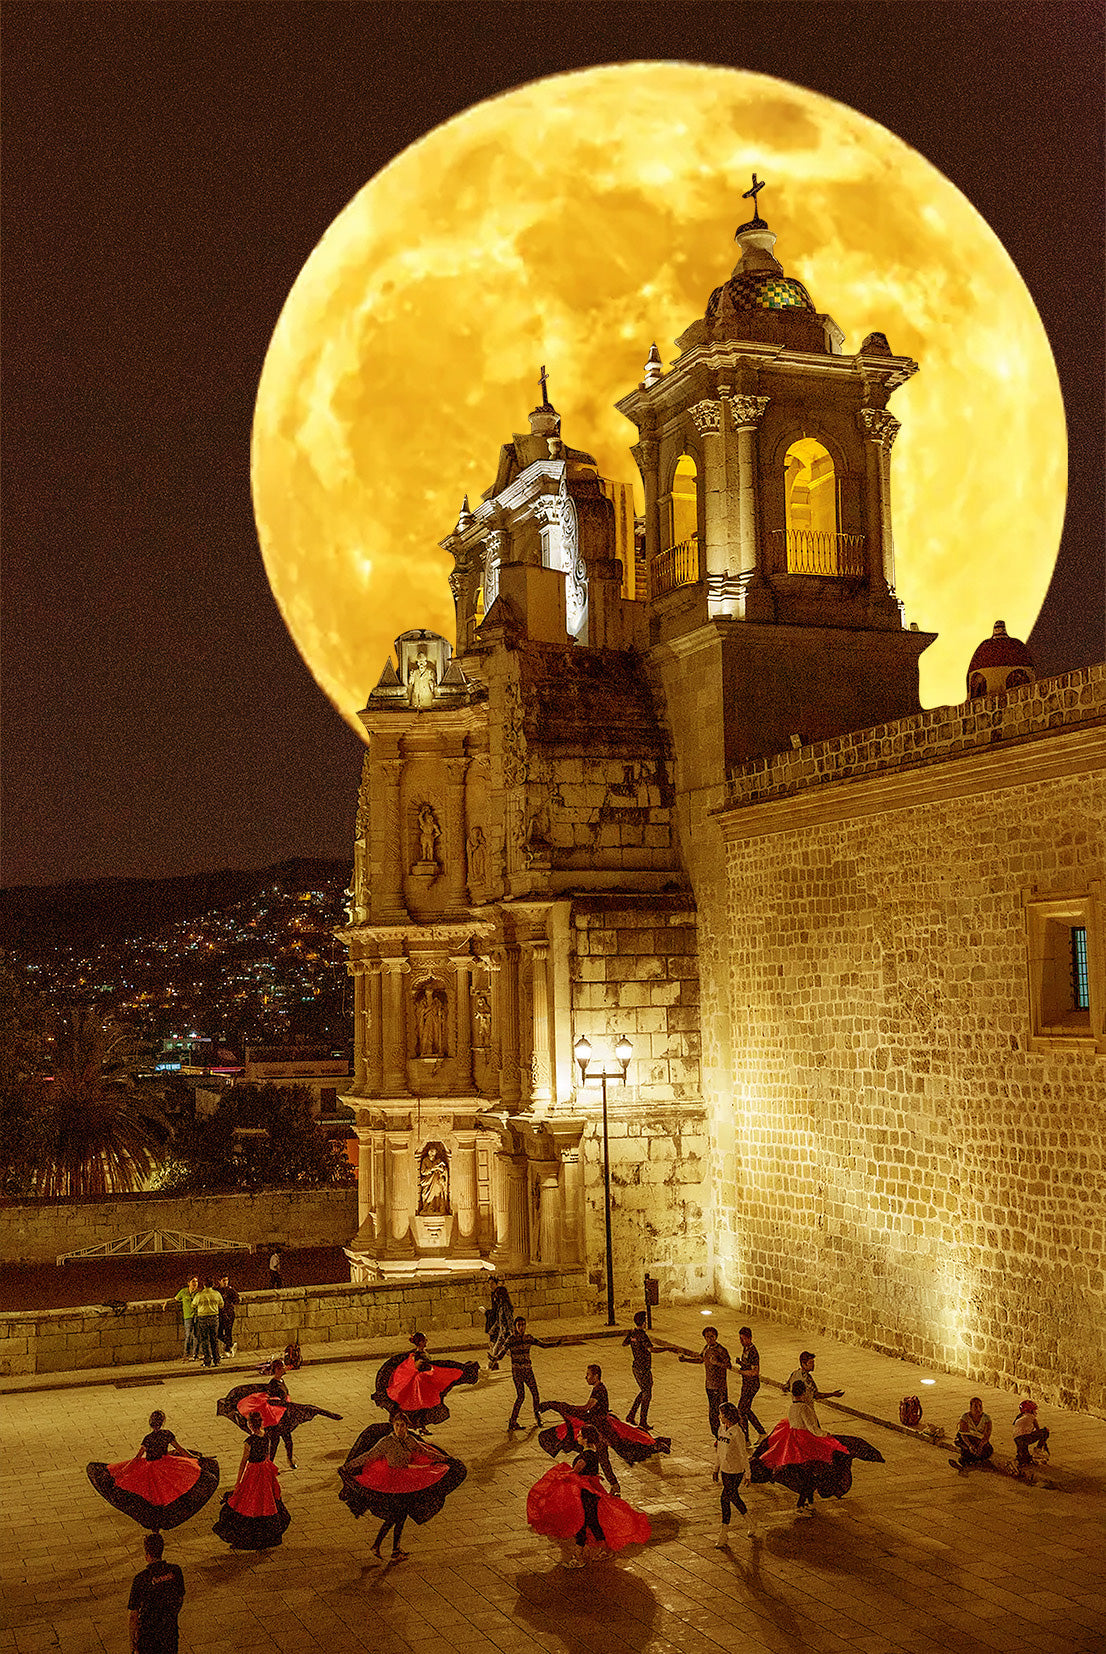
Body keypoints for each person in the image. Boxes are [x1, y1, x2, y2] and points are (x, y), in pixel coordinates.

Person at [338, 1411, 466, 1562]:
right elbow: (368, 1456)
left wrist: (446, 1459)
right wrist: (348, 1466)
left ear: (406, 1426)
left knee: (398, 1516)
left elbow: (426, 1452)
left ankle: (386, 1548)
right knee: (398, 1516)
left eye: (402, 1426)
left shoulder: (410, 1440)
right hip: (391, 1482)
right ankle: (389, 1548)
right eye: (397, 1425)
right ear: (393, 1426)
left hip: (405, 1481)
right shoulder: (386, 1442)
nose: (399, 1428)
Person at [749, 1381, 884, 1513]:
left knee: (809, 1475)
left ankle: (809, 1502)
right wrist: (825, 1434)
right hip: (806, 1442)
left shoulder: (792, 1407)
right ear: (803, 1393)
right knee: (816, 1472)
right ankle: (802, 1504)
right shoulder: (804, 1408)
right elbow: (812, 1428)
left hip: (793, 1442)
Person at [527, 1425, 650, 1568]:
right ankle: (603, 1550)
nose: (577, 1437)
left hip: (586, 1496)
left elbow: (575, 1472)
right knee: (592, 1523)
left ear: (585, 1439)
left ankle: (579, 1558)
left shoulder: (585, 1456)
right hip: (591, 1494)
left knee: (581, 1524)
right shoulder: (592, 1452)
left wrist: (558, 1475)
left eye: (579, 1435)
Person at [538, 1362, 671, 1491]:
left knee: (614, 1451)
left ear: (596, 1376)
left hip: (602, 1430)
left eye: (588, 1375)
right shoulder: (598, 1389)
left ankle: (603, 1482)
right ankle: (612, 1484)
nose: (586, 1377)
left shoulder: (599, 1390)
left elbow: (586, 1409)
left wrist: (558, 1406)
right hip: (600, 1427)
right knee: (605, 1456)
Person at [88, 1409, 219, 1531]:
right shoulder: (167, 1434)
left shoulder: (148, 1439)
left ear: (150, 1424)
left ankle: (154, 1517)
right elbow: (181, 1450)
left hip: (151, 1466)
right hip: (167, 1463)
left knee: (151, 1491)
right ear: (162, 1422)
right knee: (168, 1487)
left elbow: (137, 1458)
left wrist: (123, 1471)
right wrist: (194, 1458)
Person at [216, 1365, 342, 1468]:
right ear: (276, 1370)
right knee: (274, 1443)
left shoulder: (280, 1381)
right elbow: (272, 1401)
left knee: (288, 1441)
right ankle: (271, 1465)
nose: (284, 1368)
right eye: (281, 1367)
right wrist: (288, 1404)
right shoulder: (273, 1384)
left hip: (283, 1416)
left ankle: (289, 1461)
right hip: (275, 1419)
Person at [212, 1411, 291, 1550]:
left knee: (247, 1501)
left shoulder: (249, 1442)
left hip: (253, 1471)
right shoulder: (267, 1437)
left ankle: (246, 1537)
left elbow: (243, 1462)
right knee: (266, 1500)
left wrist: (238, 1482)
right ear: (260, 1423)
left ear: (249, 1425)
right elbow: (267, 1455)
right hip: (265, 1470)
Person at [372, 1332, 480, 1432]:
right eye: (424, 1340)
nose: (426, 1342)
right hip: (419, 1383)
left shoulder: (417, 1354)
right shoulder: (417, 1356)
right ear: (421, 1342)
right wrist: (431, 1370)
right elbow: (417, 1367)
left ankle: (420, 1426)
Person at [126, 1531, 184, 1654]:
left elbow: (133, 1615)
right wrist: (170, 1615)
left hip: (149, 1635)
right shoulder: (175, 1571)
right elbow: (180, 1597)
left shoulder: (141, 1579)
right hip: (169, 1632)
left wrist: (132, 1641)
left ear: (147, 1555)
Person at [504, 1316, 561, 1430]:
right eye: (519, 1325)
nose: (521, 1327)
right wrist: (494, 1358)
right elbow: (502, 1352)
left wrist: (554, 1344)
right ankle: (513, 1421)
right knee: (521, 1396)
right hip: (518, 1372)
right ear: (515, 1327)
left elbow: (542, 1344)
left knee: (535, 1394)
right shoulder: (511, 1340)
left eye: (523, 1325)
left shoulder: (528, 1338)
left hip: (528, 1370)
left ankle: (537, 1416)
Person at [679, 1324, 732, 1438]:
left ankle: (726, 1434)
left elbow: (728, 1365)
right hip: (709, 1386)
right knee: (712, 1413)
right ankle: (717, 1435)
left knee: (724, 1412)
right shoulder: (706, 1348)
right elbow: (700, 1359)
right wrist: (686, 1360)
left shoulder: (721, 1350)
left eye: (711, 1337)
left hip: (720, 1386)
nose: (709, 1339)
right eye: (707, 1337)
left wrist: (717, 1363)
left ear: (716, 1337)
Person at [713, 1401, 752, 1545]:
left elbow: (743, 1454)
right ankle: (750, 1523)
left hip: (735, 1471)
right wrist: (716, 1468)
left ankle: (723, 1533)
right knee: (734, 1497)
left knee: (725, 1499)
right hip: (725, 1470)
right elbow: (720, 1451)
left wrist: (747, 1474)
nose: (719, 1416)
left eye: (721, 1414)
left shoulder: (737, 1433)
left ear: (726, 1416)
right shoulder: (721, 1429)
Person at [786, 1351, 843, 1432]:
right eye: (810, 1363)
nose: (813, 1365)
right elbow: (816, 1395)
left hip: (795, 1409)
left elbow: (785, 1387)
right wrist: (833, 1394)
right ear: (803, 1363)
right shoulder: (807, 1378)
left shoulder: (794, 1374)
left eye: (813, 1362)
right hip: (807, 1409)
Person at [623, 1311, 655, 1430]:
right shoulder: (642, 1335)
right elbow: (651, 1349)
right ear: (643, 1322)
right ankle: (643, 1421)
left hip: (636, 1366)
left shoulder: (633, 1333)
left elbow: (624, 1343)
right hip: (643, 1368)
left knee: (644, 1390)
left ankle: (631, 1414)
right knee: (647, 1393)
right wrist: (668, 1349)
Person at [736, 1326, 766, 1441]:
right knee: (744, 1409)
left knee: (743, 1409)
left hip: (751, 1384)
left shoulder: (753, 1351)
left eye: (743, 1339)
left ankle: (756, 1433)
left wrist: (741, 1371)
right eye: (740, 1339)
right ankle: (749, 1435)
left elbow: (755, 1372)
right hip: (746, 1383)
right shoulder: (746, 1349)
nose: (741, 1341)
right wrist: (741, 1363)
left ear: (749, 1338)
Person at [949, 1396, 994, 1471]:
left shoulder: (986, 1418)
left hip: (979, 1439)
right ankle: (965, 1461)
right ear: (971, 1407)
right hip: (967, 1439)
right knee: (966, 1449)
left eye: (980, 1406)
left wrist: (980, 1446)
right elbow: (964, 1434)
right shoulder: (965, 1418)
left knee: (988, 1450)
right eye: (976, 1406)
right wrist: (970, 1446)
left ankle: (974, 1462)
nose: (978, 1409)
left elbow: (987, 1435)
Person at [190, 1278, 223, 1368]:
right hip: (214, 1317)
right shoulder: (217, 1294)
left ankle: (207, 1360)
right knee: (214, 1340)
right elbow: (221, 1304)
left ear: (204, 1285)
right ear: (212, 1285)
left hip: (203, 1318)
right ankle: (217, 1360)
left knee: (204, 1340)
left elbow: (193, 1304)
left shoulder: (199, 1295)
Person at [165, 1277, 199, 1362]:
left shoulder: (199, 1292)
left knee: (196, 1336)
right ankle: (186, 1354)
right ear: (188, 1283)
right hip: (187, 1316)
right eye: (193, 1281)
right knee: (188, 1335)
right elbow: (176, 1299)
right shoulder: (183, 1292)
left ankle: (195, 1354)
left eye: (196, 1281)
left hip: (197, 1316)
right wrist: (167, 1303)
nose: (195, 1283)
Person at [485, 1275, 515, 1369]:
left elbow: (509, 1320)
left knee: (503, 1349)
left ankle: (491, 1365)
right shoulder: (501, 1306)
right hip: (502, 1332)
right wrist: (492, 1329)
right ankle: (491, 1365)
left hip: (505, 1332)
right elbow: (499, 1320)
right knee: (498, 1349)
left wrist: (513, 1333)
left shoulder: (505, 1307)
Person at [1012, 1399, 1050, 1470]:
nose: (1035, 1412)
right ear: (1029, 1410)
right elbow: (1038, 1430)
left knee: (1024, 1458)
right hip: (1025, 1437)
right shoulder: (1031, 1417)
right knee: (1045, 1431)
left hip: (1017, 1439)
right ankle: (1037, 1451)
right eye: (1033, 1410)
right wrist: (1043, 1444)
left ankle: (1020, 1462)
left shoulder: (1019, 1417)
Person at [216, 1275, 239, 1358]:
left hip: (229, 1313)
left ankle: (228, 1350)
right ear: (219, 1281)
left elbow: (237, 1300)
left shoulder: (230, 1290)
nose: (225, 1282)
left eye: (226, 1280)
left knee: (228, 1332)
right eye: (223, 1280)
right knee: (219, 1333)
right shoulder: (217, 1290)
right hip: (221, 1314)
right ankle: (230, 1344)